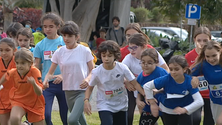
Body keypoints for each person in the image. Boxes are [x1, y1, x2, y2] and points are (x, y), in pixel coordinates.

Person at [43, 21, 94, 125]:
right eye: (64, 35)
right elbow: (50, 73)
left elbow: (93, 70)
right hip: (68, 90)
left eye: (69, 36)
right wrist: (45, 80)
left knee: (72, 120)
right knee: (80, 120)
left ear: (77, 37)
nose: (66, 38)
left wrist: (87, 79)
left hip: (83, 90)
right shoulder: (59, 52)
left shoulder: (84, 50)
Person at [84, 40, 145, 125]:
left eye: (109, 56)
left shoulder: (122, 68)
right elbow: (90, 88)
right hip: (104, 104)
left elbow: (135, 83)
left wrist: (145, 95)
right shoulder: (97, 72)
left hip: (121, 104)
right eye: (104, 55)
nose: (106, 58)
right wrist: (86, 101)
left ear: (115, 56)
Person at [122, 32, 169, 125]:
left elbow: (166, 72)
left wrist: (159, 89)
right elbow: (121, 72)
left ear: (143, 46)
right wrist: (126, 82)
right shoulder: (130, 59)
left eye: (134, 47)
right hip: (144, 97)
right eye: (130, 48)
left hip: (163, 101)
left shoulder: (153, 54)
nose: (131, 50)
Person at [144, 55, 204, 125]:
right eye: (171, 69)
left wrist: (184, 109)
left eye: (176, 69)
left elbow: (200, 101)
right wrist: (152, 103)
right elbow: (147, 86)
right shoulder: (166, 79)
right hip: (167, 111)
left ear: (184, 69)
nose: (173, 72)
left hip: (184, 112)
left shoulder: (189, 81)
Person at [33, 12, 68, 125]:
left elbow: (72, 64)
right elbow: (37, 65)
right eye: (45, 26)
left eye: (51, 26)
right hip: (47, 84)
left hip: (65, 83)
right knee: (46, 115)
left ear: (58, 26)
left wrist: (63, 76)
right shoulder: (40, 45)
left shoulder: (65, 42)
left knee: (65, 115)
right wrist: (38, 82)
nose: (47, 29)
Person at [0, 48, 45, 125]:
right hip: (19, 100)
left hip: (35, 102)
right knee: (14, 119)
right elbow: (6, 75)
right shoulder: (14, 72)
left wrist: (34, 84)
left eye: (23, 63)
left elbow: (39, 92)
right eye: (17, 63)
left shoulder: (35, 71)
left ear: (30, 63)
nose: (19, 66)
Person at [185, 27, 214, 125]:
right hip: (195, 94)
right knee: (194, 120)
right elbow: (185, 74)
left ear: (210, 40)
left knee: (209, 121)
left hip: (211, 94)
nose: (202, 43)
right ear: (194, 40)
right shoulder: (189, 56)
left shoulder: (214, 55)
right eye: (199, 40)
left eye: (205, 40)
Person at [191, 41, 222, 125]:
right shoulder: (203, 65)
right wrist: (193, 78)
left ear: (220, 51)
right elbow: (187, 74)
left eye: (214, 55)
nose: (211, 59)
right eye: (207, 56)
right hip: (216, 102)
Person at [137, 48, 168, 125]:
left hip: (164, 105)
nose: (145, 65)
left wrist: (158, 91)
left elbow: (169, 86)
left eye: (149, 63)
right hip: (148, 107)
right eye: (143, 62)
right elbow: (139, 91)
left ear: (156, 62)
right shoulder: (141, 76)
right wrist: (138, 101)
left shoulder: (161, 72)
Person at [0, 38, 16, 125]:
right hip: (2, 98)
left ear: (14, 50)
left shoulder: (18, 62)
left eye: (7, 50)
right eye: (1, 50)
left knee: (13, 121)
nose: (3, 53)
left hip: (16, 97)